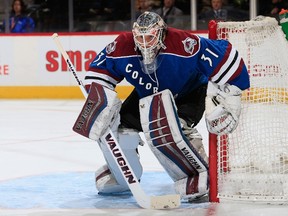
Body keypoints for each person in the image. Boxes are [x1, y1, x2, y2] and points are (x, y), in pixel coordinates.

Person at [74, 11, 250, 202]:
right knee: (117, 129)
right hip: (147, 95)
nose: (144, 43)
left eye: (149, 37)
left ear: (161, 33)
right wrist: (100, 100)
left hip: (187, 92)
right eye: (139, 37)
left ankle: (196, 174)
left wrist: (230, 99)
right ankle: (123, 174)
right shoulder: (123, 45)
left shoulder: (184, 44)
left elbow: (225, 56)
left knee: (171, 130)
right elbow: (99, 72)